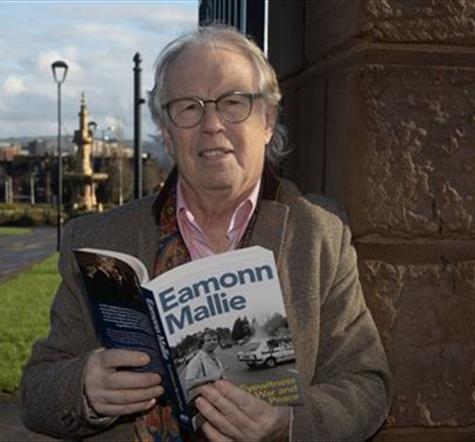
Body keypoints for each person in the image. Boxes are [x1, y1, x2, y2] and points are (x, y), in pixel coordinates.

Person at [20, 25, 391, 441]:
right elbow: (36, 393)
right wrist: (84, 389)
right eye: (189, 108)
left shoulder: (320, 235)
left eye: (234, 102)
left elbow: (366, 385)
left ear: (267, 120)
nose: (212, 124)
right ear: (166, 129)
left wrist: (286, 426)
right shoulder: (97, 239)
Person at [183, 330, 225, 402]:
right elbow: (188, 384)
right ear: (202, 343)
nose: (212, 342)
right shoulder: (196, 360)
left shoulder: (215, 356)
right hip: (206, 401)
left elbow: (218, 375)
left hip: (219, 397)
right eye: (208, 340)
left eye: (214, 339)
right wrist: (211, 378)